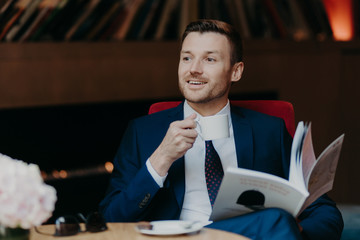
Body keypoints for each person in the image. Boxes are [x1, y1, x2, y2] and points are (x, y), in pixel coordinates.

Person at [99, 19, 343, 240]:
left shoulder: (269, 130)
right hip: (178, 237)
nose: (194, 68)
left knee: (277, 221)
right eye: (187, 57)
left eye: (209, 59)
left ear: (235, 71)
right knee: (276, 221)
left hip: (251, 235)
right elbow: (112, 219)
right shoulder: (143, 132)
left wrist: (294, 233)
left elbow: (323, 210)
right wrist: (160, 160)